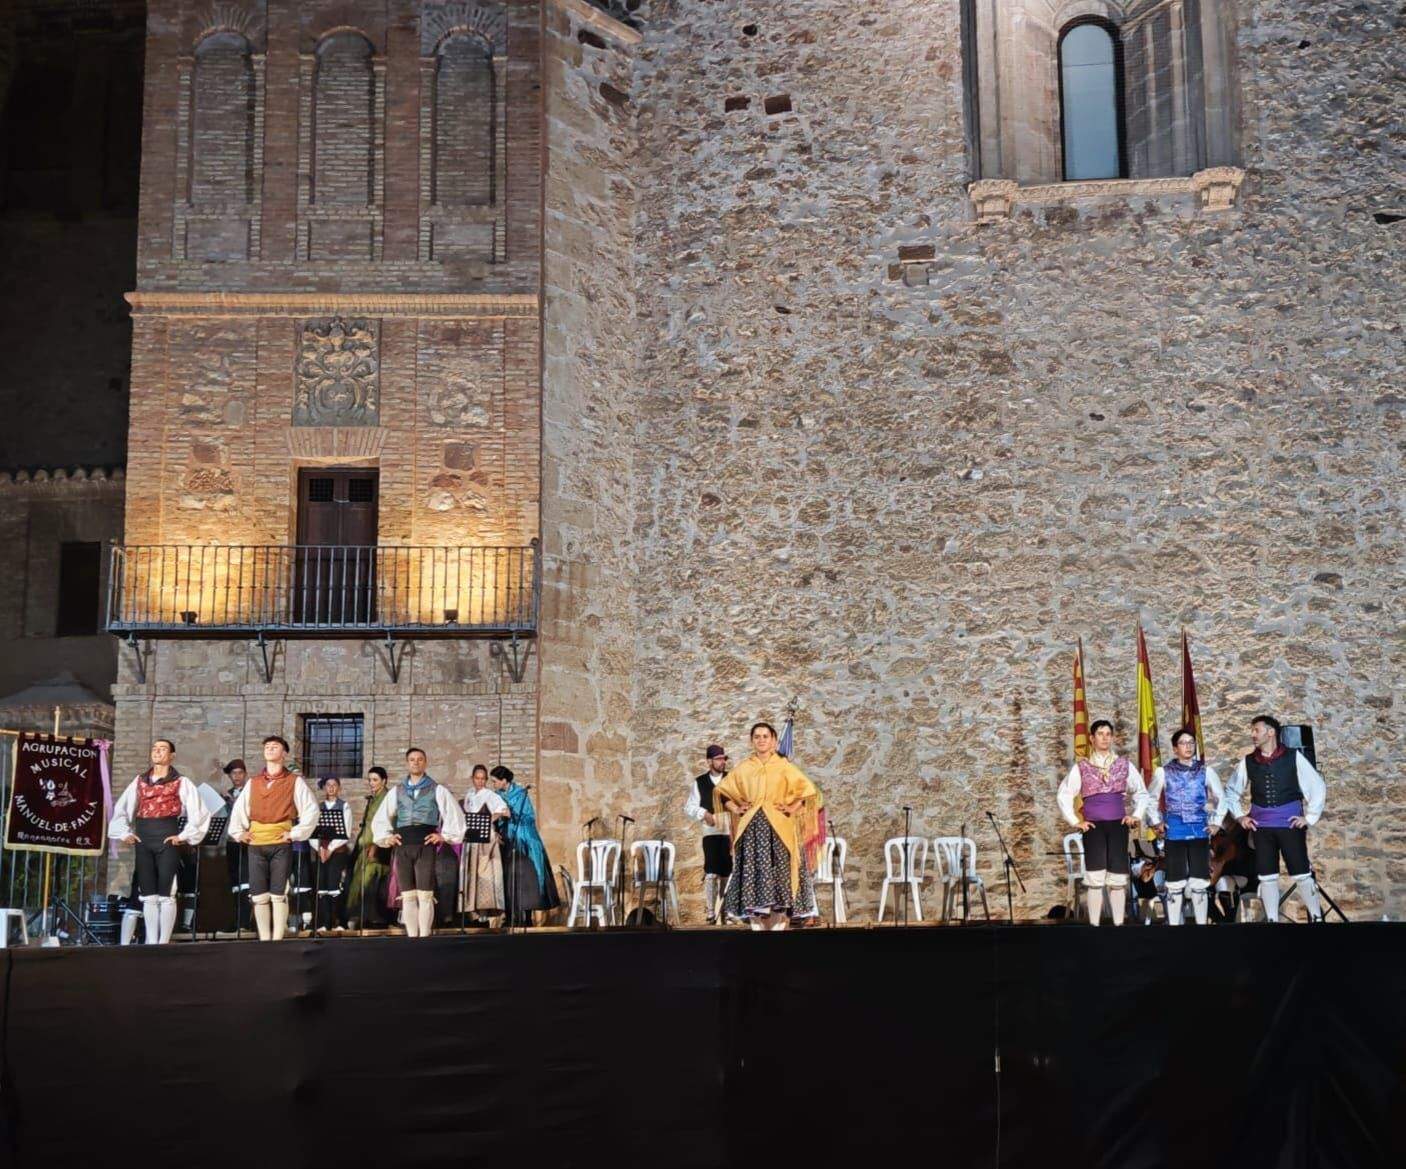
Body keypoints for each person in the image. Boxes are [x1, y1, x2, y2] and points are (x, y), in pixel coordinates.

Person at [714, 721, 820, 931]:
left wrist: (792, 807)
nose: (761, 740)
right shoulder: (745, 767)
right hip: (752, 829)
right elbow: (722, 791)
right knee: (755, 869)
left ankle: (781, 922)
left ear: (773, 740)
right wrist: (735, 808)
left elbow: (808, 790)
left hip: (780, 827)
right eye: (757, 737)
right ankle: (757, 922)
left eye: (765, 736)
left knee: (780, 870)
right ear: (752, 741)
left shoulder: (783, 766)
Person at [1224, 714, 1326, 922]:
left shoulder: (1292, 757)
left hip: (1289, 825)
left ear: (1271, 732)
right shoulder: (1248, 762)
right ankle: (1272, 920)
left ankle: (1317, 917)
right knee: (1267, 875)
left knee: (1301, 873)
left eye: (1256, 730)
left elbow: (1317, 786)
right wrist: (1240, 816)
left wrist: (1310, 817)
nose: (1253, 734)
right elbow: (1231, 790)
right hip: (1261, 828)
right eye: (1252, 730)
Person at [108, 739, 211, 945]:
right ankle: (151, 941)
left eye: (162, 749)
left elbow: (199, 812)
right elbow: (123, 808)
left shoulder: (181, 782)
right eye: (155, 749)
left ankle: (163, 942)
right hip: (144, 838)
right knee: (148, 894)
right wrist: (124, 832)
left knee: (166, 892)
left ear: (172, 755)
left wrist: (182, 836)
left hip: (167, 837)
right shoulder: (140, 780)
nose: (157, 752)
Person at [1057, 719, 1151, 926]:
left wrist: (1135, 815)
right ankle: (1095, 926)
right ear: (1092, 738)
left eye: (1108, 734)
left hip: (1118, 826)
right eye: (1100, 734)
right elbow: (1064, 794)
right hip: (1094, 828)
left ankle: (1118, 925)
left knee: (1117, 879)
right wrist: (1075, 821)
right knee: (1095, 879)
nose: (1105, 738)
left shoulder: (1123, 764)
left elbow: (1142, 793)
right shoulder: (1082, 767)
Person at [227, 735, 319, 941]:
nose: (269, 749)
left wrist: (295, 833)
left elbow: (311, 811)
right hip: (256, 843)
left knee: (278, 893)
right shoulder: (254, 783)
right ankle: (264, 938)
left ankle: (277, 939)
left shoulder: (294, 782)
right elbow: (240, 810)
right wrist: (239, 832)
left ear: (284, 753)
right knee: (259, 895)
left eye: (274, 746)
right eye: (267, 746)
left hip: (280, 843)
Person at [371, 748, 466, 938]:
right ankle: (412, 938)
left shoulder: (437, 789)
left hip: (425, 845)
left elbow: (455, 815)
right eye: (412, 760)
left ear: (425, 763)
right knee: (408, 895)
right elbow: (381, 818)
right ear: (407, 763)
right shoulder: (397, 791)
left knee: (425, 894)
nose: (416, 762)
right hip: (403, 846)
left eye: (420, 759)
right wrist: (387, 837)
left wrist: (443, 836)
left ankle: (424, 937)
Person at [1147, 727, 1228, 925]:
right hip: (1174, 831)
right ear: (1175, 748)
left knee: (1200, 881)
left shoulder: (1205, 771)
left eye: (1191, 743)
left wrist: (1216, 823)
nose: (1188, 747)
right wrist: (1156, 821)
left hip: (1199, 831)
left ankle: (1201, 926)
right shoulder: (1163, 772)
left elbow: (1221, 797)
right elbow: (1150, 799)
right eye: (1183, 743)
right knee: (1175, 882)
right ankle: (1175, 927)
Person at [491, 765, 561, 926]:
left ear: (504, 781)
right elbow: (495, 816)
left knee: (526, 877)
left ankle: (527, 916)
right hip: (507, 839)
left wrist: (511, 815)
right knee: (508, 877)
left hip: (525, 839)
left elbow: (529, 818)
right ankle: (509, 916)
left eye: (495, 781)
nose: (493, 784)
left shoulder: (521, 794)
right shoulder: (496, 796)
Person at [685, 745, 733, 924]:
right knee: (712, 871)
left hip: (729, 830)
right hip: (711, 832)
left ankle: (726, 912)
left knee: (727, 871)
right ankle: (711, 912)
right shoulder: (700, 782)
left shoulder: (731, 778)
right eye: (719, 759)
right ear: (709, 761)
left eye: (723, 758)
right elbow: (689, 806)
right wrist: (704, 814)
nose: (722, 762)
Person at [461, 763, 510, 924]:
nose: (480, 781)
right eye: (477, 778)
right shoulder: (469, 795)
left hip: (486, 838)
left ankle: (490, 912)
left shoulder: (490, 795)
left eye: (483, 779)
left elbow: (504, 810)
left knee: (486, 873)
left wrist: (489, 820)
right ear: (472, 779)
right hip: (471, 838)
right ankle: (473, 913)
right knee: (472, 873)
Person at [346, 767, 391, 929]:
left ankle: (374, 918)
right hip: (364, 846)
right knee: (359, 881)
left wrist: (375, 846)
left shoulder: (387, 798)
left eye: (375, 780)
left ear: (384, 781)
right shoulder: (373, 798)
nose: (371, 783)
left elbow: (387, 823)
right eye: (370, 780)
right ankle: (359, 916)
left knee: (372, 881)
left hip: (378, 847)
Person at [312, 777, 352, 932]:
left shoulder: (344, 806)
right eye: (328, 785)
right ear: (324, 788)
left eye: (334, 785)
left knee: (335, 886)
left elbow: (346, 832)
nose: (331, 788)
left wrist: (330, 848)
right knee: (322, 887)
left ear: (339, 788)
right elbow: (312, 833)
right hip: (321, 852)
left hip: (337, 852)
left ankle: (340, 922)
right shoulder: (318, 807)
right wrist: (320, 849)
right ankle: (325, 922)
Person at [222, 758, 251, 931]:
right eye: (234, 773)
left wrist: (232, 803)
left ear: (245, 774)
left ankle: (245, 923)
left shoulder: (250, 792)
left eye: (240, 773)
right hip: (231, 842)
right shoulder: (228, 793)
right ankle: (236, 922)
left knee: (246, 883)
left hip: (246, 842)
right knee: (234, 883)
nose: (237, 776)